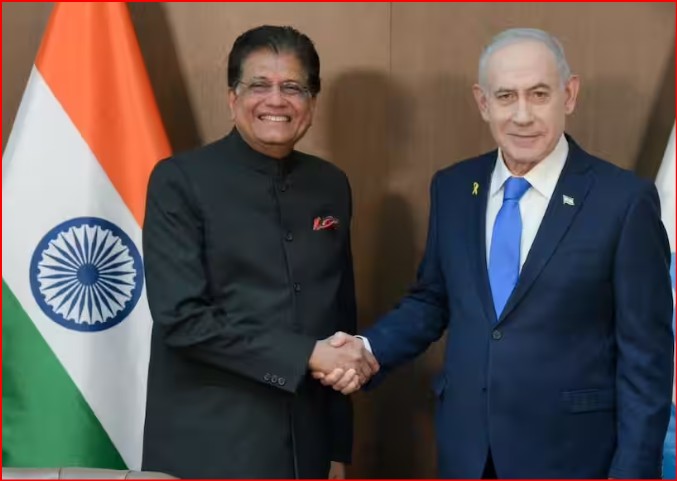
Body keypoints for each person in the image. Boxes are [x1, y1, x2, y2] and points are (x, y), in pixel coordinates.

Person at [315, 28, 674, 479]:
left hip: (571, 459)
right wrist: (368, 350)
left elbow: (647, 361)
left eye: (539, 94)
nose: (522, 115)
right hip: (468, 455)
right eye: (506, 96)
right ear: (483, 103)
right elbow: (433, 300)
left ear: (569, 95)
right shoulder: (453, 187)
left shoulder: (623, 202)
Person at [141, 25, 378, 479]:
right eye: (259, 86)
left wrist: (336, 447)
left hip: (308, 445)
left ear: (312, 102)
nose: (276, 100)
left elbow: (339, 316)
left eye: (293, 87)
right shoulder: (179, 180)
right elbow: (183, 319)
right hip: (211, 445)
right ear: (233, 98)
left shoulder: (331, 184)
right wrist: (306, 354)